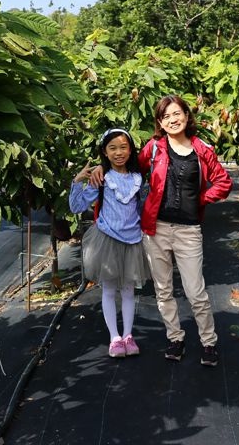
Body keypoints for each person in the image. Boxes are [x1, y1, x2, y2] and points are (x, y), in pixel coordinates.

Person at [92, 95, 233, 366]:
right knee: (163, 290)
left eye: (176, 113)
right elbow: (128, 166)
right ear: (160, 122)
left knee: (195, 291)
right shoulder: (155, 148)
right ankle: (175, 337)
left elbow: (223, 182)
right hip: (155, 230)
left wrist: (202, 198)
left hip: (188, 231)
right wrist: (101, 165)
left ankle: (208, 342)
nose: (172, 119)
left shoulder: (201, 150)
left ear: (186, 116)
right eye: (166, 116)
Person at [70, 128, 151, 358]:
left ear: (131, 150)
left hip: (133, 240)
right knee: (108, 288)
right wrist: (78, 180)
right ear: (104, 152)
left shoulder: (137, 179)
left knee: (128, 290)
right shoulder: (102, 178)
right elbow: (77, 207)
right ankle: (114, 337)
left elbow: (142, 207)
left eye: (123, 147)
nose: (118, 153)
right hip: (108, 239)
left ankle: (128, 335)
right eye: (112, 148)